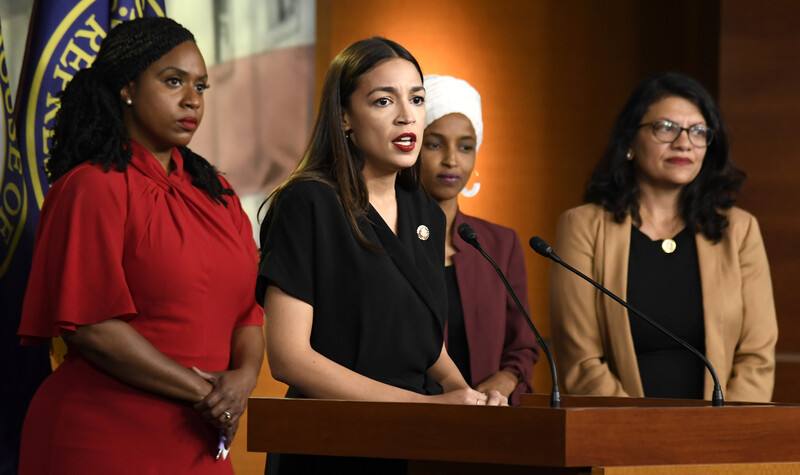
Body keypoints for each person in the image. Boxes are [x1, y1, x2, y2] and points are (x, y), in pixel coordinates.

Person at [17, 17, 264, 474]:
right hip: (101, 437)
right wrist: (209, 394)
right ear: (127, 87)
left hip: (201, 438)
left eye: (201, 87)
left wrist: (244, 379)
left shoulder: (219, 194)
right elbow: (92, 327)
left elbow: (247, 312)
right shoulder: (91, 187)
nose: (192, 100)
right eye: (174, 82)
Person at [258, 37, 506, 473]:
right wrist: (420, 407)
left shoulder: (424, 210)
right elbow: (289, 358)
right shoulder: (308, 203)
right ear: (345, 117)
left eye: (416, 98)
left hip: (411, 441)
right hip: (329, 440)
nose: (407, 115)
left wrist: (465, 394)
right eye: (383, 101)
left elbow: (423, 344)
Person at [548, 72, 777, 402]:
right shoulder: (583, 227)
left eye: (698, 131)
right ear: (629, 141)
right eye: (666, 127)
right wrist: (641, 435)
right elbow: (581, 360)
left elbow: (757, 356)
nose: (684, 142)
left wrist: (726, 432)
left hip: (720, 441)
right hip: (616, 436)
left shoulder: (740, 231)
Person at [418, 75, 538, 405]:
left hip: (485, 422)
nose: (451, 160)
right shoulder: (386, 237)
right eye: (435, 144)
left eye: (465, 146)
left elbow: (522, 346)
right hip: (408, 421)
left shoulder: (500, 243)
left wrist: (505, 380)